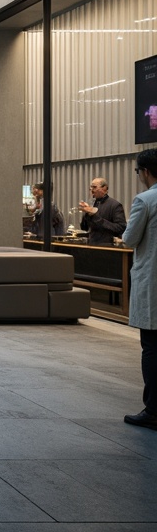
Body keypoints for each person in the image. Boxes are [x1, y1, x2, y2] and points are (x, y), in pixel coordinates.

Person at [123, 148, 157, 429]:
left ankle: (154, 410)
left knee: (152, 346)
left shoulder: (145, 200)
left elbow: (130, 238)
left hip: (153, 284)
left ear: (145, 171)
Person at [79, 177, 127, 245]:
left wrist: (95, 217)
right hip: (92, 246)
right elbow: (84, 228)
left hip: (108, 247)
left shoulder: (115, 205)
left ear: (104, 188)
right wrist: (86, 213)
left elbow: (120, 228)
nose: (92, 190)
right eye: (91, 188)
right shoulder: (93, 204)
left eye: (94, 187)